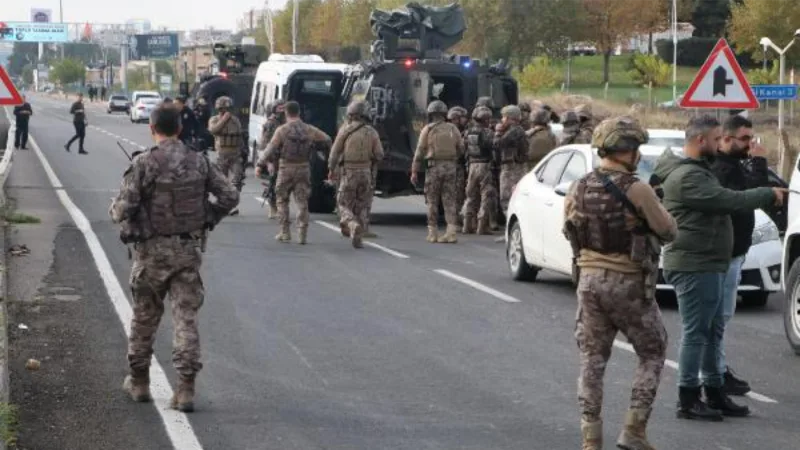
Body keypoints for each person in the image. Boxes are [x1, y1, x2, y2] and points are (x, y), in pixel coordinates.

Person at [652, 115, 785, 421]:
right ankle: (688, 397)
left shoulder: (699, 171)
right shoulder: (689, 177)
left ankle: (713, 391)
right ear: (701, 141)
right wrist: (766, 193)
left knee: (711, 331)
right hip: (695, 263)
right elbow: (724, 199)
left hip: (709, 261)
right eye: (715, 139)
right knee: (697, 333)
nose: (719, 144)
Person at [109, 104, 239, 413]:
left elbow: (121, 211)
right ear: (179, 129)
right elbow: (230, 197)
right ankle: (185, 389)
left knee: (144, 317)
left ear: (151, 128)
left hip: (150, 253)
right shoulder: (200, 162)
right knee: (186, 319)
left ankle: (139, 382)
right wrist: (207, 217)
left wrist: (116, 208)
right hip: (187, 252)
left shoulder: (144, 163)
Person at [564, 116, 677, 450]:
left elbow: (570, 228)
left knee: (592, 360)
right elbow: (668, 231)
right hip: (627, 282)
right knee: (653, 350)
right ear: (627, 150)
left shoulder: (578, 186)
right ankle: (634, 431)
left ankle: (590, 438)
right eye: (636, 148)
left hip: (588, 282)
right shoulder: (637, 188)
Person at [710, 115, 771, 396]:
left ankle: (717, 370)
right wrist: (759, 163)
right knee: (716, 319)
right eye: (744, 139)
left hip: (735, 251)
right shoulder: (722, 168)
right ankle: (713, 375)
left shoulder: (731, 165)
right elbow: (751, 195)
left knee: (721, 318)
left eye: (751, 138)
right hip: (723, 253)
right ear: (725, 138)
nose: (750, 144)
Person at [255, 101, 332, 244]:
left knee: (282, 200)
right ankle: (302, 233)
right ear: (299, 112)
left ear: (286, 113)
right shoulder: (309, 129)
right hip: (303, 168)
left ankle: (285, 232)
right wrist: (323, 154)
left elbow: (270, 148)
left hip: (285, 169)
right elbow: (327, 139)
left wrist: (260, 164)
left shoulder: (282, 130)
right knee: (302, 201)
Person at [327, 101, 384, 248]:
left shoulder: (345, 130)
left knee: (342, 203)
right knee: (362, 205)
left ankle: (352, 224)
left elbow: (334, 153)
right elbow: (379, 154)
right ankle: (358, 237)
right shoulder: (372, 132)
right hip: (366, 173)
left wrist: (331, 169)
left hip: (349, 172)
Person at [411, 100, 464, 244]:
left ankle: (432, 233)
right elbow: (461, 148)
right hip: (450, 167)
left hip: (433, 168)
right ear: (444, 113)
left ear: (431, 113)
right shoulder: (453, 128)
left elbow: (419, 151)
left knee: (432, 200)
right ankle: (451, 232)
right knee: (449, 200)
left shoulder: (427, 129)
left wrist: (414, 171)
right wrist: (452, 159)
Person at [462, 106, 496, 235]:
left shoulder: (468, 132)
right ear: (485, 119)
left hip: (472, 165)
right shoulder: (487, 132)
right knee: (486, 195)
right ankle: (482, 226)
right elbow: (493, 146)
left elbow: (464, 148)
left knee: (470, 196)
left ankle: (466, 224)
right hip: (484, 165)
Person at [208, 96, 244, 215]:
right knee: (221, 181)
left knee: (237, 179)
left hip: (235, 154)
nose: (225, 111)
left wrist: (243, 152)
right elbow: (214, 130)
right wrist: (224, 119)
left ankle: (232, 203)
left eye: (227, 109)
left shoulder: (235, 120)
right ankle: (223, 203)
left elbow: (240, 136)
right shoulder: (214, 119)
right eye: (222, 109)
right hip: (222, 154)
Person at [493, 105, 527, 216]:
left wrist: (498, 132)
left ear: (510, 118)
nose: (502, 120)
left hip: (512, 170)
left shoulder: (514, 131)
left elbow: (498, 144)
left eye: (504, 117)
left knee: (507, 198)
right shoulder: (517, 130)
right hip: (514, 168)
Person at [259, 99, 286, 220]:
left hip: (284, 158)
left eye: (283, 108)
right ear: (274, 109)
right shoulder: (271, 123)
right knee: (273, 183)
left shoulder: (286, 122)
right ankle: (273, 207)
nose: (282, 110)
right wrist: (268, 162)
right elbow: (265, 143)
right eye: (279, 108)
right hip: (274, 158)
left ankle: (281, 208)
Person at [448, 106, 469, 227]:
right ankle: (454, 218)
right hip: (456, 166)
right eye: (461, 118)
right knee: (457, 193)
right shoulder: (454, 132)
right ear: (456, 119)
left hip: (452, 165)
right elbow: (461, 150)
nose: (464, 120)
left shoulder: (447, 130)